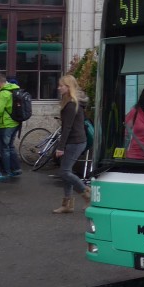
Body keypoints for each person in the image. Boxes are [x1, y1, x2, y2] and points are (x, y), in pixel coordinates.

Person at [52, 75, 89, 214]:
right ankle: (68, 204)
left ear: (68, 87)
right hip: (76, 140)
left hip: (75, 141)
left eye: (61, 85)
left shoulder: (71, 104)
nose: (59, 88)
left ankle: (86, 194)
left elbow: (67, 127)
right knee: (66, 171)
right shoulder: (70, 101)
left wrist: (60, 147)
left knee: (65, 172)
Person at [0, 71, 22, 182]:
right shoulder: (14, 89)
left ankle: (6, 172)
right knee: (10, 147)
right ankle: (16, 169)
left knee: (4, 149)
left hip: (5, 124)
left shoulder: (3, 93)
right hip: (15, 123)